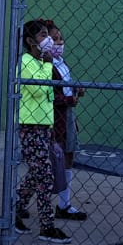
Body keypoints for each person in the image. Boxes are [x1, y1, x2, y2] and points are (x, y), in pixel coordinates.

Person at [12, 19, 70, 242]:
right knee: (44, 176)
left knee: (38, 174)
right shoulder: (27, 61)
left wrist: (52, 126)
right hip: (31, 127)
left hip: (44, 125)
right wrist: (47, 65)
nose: (47, 39)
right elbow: (38, 89)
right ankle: (47, 226)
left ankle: (14, 210)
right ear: (30, 41)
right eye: (43, 35)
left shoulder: (40, 62)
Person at [48, 21, 88, 222]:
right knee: (50, 159)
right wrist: (72, 98)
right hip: (55, 116)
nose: (59, 42)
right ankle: (25, 200)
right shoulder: (46, 66)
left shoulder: (62, 63)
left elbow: (64, 89)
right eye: (54, 39)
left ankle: (64, 203)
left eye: (60, 38)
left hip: (68, 114)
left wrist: (74, 91)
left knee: (68, 155)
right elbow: (51, 95)